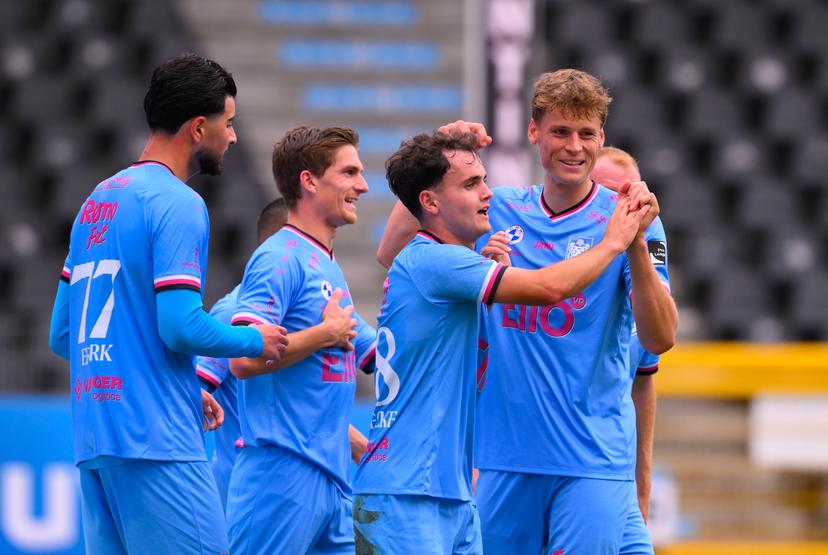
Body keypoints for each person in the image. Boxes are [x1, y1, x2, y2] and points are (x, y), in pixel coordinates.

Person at [377, 69, 677, 555]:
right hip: (501, 459)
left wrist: (636, 245)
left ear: (601, 138)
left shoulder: (630, 218)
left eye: (586, 134)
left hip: (591, 460)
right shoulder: (498, 208)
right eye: (560, 131)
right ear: (534, 132)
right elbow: (394, 252)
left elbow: (660, 338)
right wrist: (441, 150)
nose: (573, 146)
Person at [48, 53, 289, 554]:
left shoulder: (95, 200)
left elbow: (63, 334)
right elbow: (180, 327)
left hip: (96, 440)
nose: (234, 136)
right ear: (199, 127)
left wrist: (169, 382)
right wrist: (255, 338)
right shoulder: (178, 203)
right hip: (156, 442)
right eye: (230, 122)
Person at [225, 126, 377, 554]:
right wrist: (324, 334)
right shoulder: (278, 257)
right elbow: (241, 358)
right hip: (280, 475)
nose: (362, 185)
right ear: (309, 180)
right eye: (349, 173)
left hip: (332, 477)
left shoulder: (328, 267)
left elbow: (380, 357)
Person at [196, 197, 288, 511]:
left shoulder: (311, 310)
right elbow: (194, 395)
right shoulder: (231, 313)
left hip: (299, 489)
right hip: (244, 494)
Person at [591, 146, 662, 553]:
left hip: (614, 475)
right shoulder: (542, 254)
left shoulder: (643, 254)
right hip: (550, 468)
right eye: (607, 193)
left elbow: (645, 376)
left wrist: (643, 487)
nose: (621, 206)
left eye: (627, 194)